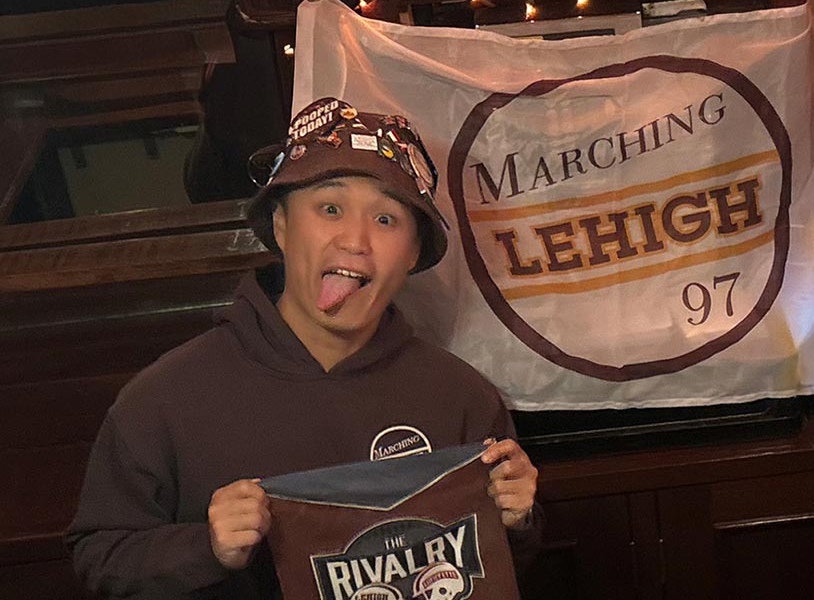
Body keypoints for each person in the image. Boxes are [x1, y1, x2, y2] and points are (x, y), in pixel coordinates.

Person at [68, 98, 543, 598]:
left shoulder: (460, 397)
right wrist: (205, 547)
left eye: (386, 220)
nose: (356, 241)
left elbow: (497, 570)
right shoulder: (164, 400)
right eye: (330, 208)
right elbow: (99, 558)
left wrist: (517, 521)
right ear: (281, 227)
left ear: (413, 255)